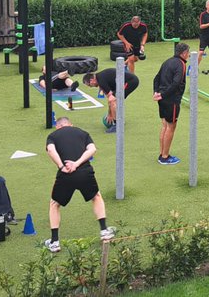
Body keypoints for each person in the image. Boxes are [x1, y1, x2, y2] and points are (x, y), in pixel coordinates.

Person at [43, 116, 115, 253]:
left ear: (57, 126)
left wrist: (62, 166)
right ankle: (104, 230)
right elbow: (92, 149)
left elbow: (51, 150)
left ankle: (54, 241)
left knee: (54, 204)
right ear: (71, 124)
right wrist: (76, 163)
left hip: (65, 174)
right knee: (96, 197)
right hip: (84, 171)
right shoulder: (82, 133)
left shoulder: (52, 135)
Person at [152, 42, 189, 165]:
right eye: (188, 53)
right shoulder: (181, 64)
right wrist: (162, 95)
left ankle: (162, 154)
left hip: (162, 99)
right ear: (183, 53)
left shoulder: (167, 61)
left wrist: (156, 92)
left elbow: (156, 78)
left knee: (165, 126)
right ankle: (165, 157)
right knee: (171, 127)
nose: (188, 56)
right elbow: (176, 83)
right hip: (171, 100)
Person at [83, 68, 140, 133]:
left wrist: (110, 114)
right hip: (128, 81)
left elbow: (110, 99)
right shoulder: (100, 77)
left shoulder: (101, 81)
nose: (91, 87)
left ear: (92, 80)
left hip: (130, 82)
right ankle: (120, 120)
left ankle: (117, 125)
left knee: (112, 100)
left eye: (89, 85)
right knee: (116, 99)